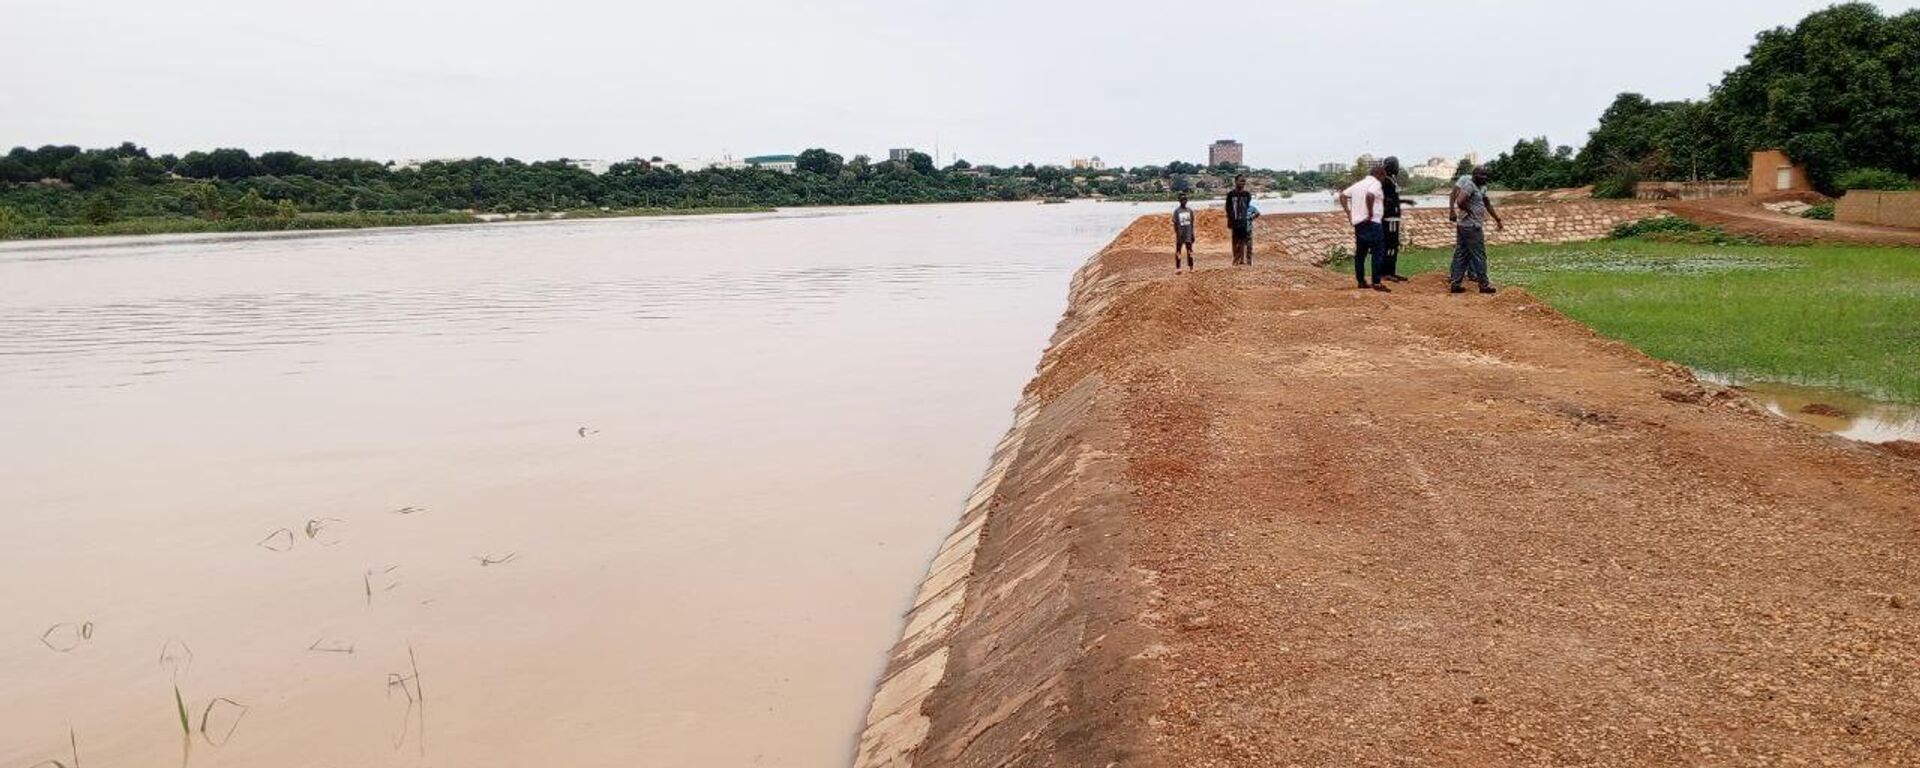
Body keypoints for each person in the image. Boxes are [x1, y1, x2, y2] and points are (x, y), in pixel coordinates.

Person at [1449, 165, 1505, 294]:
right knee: (1479, 255)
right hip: (1471, 227)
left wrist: (1497, 219)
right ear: (1475, 176)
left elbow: (1487, 204)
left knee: (1462, 254)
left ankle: (1455, 283)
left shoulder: (1481, 188)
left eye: (1486, 175)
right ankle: (1484, 285)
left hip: (1465, 226)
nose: (1485, 177)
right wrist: (1470, 210)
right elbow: (1460, 201)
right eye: (1482, 175)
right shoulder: (1470, 185)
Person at [1338, 162, 1391, 292]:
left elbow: (1343, 195)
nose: (1384, 179)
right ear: (1379, 175)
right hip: (1372, 222)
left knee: (1361, 254)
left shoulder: (1358, 184)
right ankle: (1376, 282)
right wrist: (1371, 213)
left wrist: (1349, 213)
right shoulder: (1376, 184)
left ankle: (1361, 281)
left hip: (1359, 224)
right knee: (1378, 252)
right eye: (1384, 177)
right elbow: (1370, 195)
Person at [1379, 156, 1413, 282]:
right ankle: (1386, 272)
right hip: (1389, 219)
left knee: (1393, 245)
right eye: (1396, 165)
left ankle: (1391, 271)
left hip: (1393, 217)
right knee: (1390, 244)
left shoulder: (1391, 180)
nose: (1398, 168)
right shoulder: (1384, 181)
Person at [1224, 175, 1256, 266]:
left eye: (1244, 181)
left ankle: (1242, 260)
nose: (1242, 183)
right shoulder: (1231, 194)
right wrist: (1230, 220)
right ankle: (1236, 259)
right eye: (1241, 181)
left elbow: (1247, 206)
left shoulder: (1247, 194)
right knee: (1235, 241)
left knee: (1243, 241)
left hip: (1243, 221)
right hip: (1235, 221)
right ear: (1235, 182)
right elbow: (1228, 208)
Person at [1171, 193, 1196, 272]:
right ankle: (1178, 267)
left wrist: (1192, 234)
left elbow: (1192, 223)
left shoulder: (1190, 211)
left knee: (1190, 250)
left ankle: (1191, 266)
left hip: (1188, 234)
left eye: (1185, 199)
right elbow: (1175, 223)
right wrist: (1177, 233)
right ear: (1179, 201)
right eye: (1182, 200)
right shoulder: (1177, 211)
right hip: (1180, 235)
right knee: (1178, 251)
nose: (1184, 201)